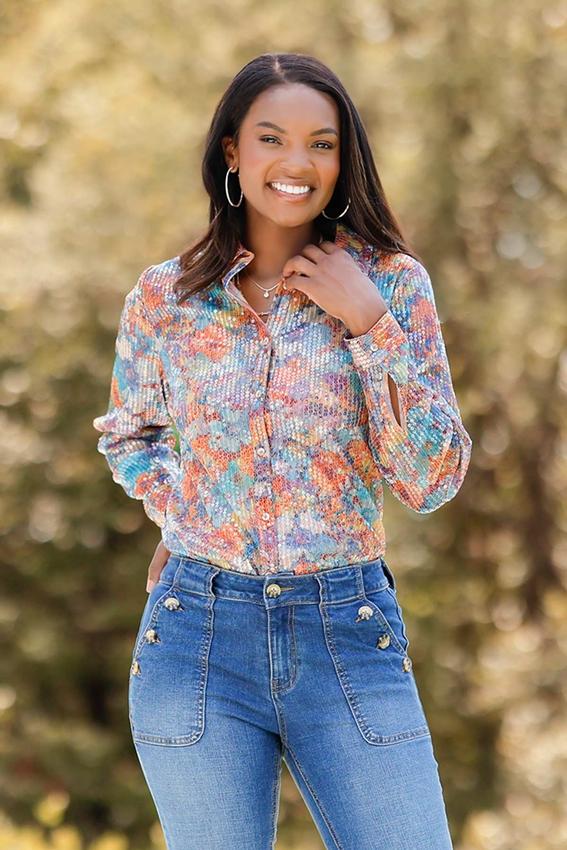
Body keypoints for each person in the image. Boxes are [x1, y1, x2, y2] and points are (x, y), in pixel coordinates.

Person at [93, 52, 472, 850]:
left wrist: (370, 326)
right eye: (272, 138)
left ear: (343, 160)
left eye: (322, 144)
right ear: (233, 151)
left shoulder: (392, 286)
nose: (297, 163)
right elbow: (131, 434)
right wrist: (187, 517)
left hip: (347, 632)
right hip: (194, 637)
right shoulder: (166, 299)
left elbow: (431, 479)